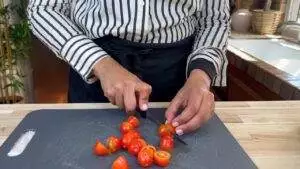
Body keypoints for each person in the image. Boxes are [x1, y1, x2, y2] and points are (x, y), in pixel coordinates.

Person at [27, 0, 231, 136]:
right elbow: (43, 9)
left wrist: (201, 76)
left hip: (176, 75)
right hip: (95, 69)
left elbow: (215, 20)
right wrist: (100, 63)